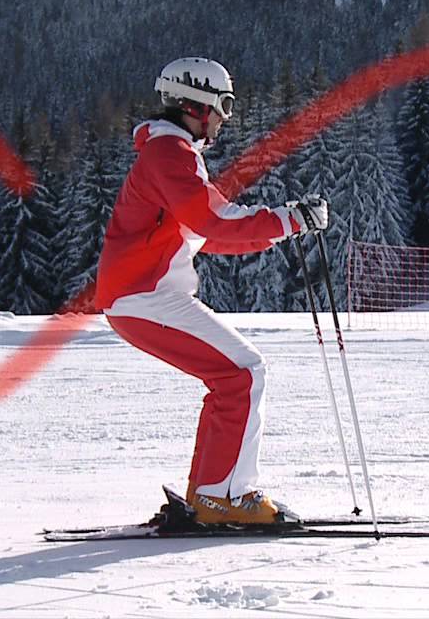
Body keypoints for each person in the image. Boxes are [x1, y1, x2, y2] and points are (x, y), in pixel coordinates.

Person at [95, 57, 328, 524]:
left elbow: (213, 234)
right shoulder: (170, 155)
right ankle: (226, 496)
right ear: (196, 104)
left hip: (143, 296)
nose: (225, 118)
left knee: (233, 377)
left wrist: (284, 226)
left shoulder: (173, 155)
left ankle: (212, 494)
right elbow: (215, 221)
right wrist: (290, 219)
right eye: (222, 105)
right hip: (145, 297)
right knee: (243, 372)